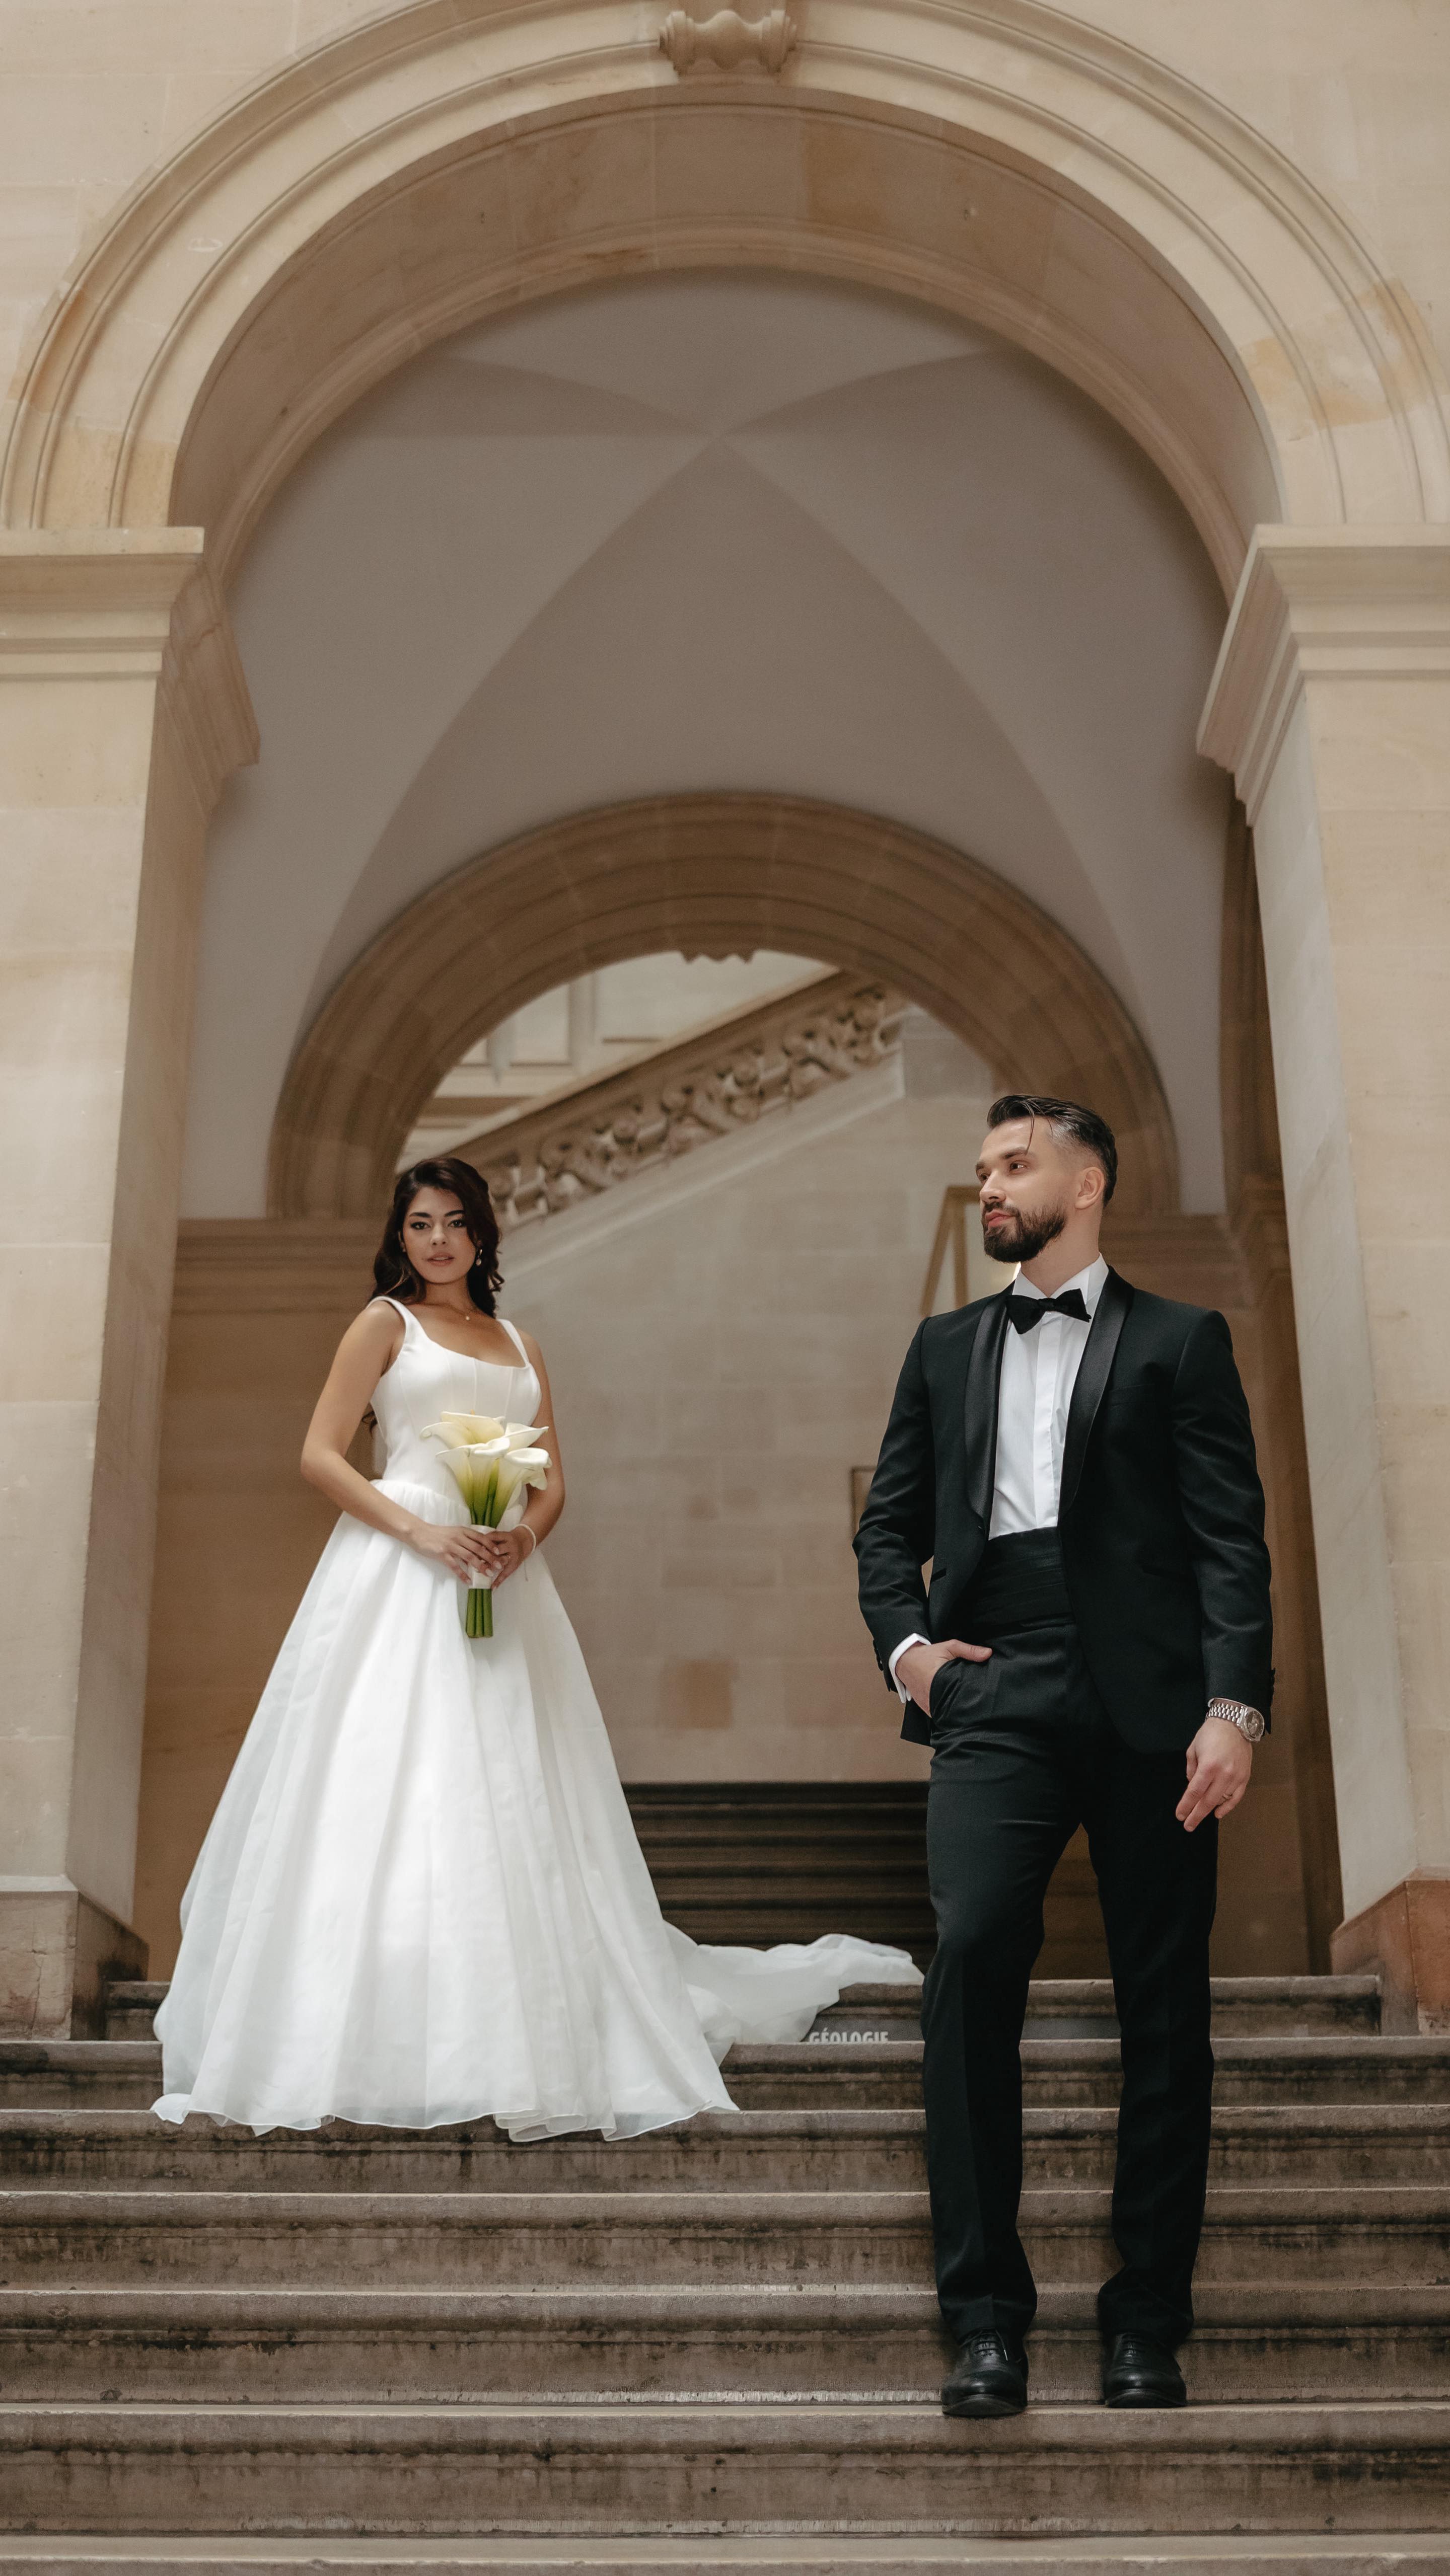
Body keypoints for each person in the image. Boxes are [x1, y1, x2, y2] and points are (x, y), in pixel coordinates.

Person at [155, 1156, 914, 2137]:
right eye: (421, 1223)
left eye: (454, 1222)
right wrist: (423, 1531)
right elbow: (318, 1454)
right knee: (395, 1768)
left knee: (514, 1770)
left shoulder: (521, 1342)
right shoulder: (384, 1323)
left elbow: (552, 1482)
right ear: (401, 1235)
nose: (438, 1240)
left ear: (481, 1234)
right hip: (399, 1567)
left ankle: (526, 2010)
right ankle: (369, 2010)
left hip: (504, 1579)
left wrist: (518, 1539)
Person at [854, 1095, 1272, 2418]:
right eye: (983, 1167)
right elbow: (887, 1528)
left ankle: (1147, 2320)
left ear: (1086, 1184)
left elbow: (1231, 1542)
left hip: (1157, 1707)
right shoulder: (943, 1347)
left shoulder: (1182, 1341)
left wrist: (1235, 1707)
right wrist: (911, 1653)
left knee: (1166, 2001)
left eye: (1016, 1163)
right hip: (995, 1687)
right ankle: (985, 2321)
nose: (991, 1183)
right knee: (975, 1952)